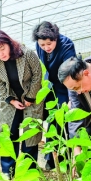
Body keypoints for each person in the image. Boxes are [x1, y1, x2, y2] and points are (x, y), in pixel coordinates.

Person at [0, 30, 44, 179]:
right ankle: (8, 170)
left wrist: (30, 97)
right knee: (8, 133)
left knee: (31, 133)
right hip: (11, 99)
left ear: (9, 43)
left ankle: (29, 169)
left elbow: (37, 75)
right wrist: (10, 100)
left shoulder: (27, 54)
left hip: (32, 96)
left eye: (2, 48)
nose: (0, 54)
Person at [32, 21, 76, 170]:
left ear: (55, 38)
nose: (46, 48)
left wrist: (71, 98)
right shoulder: (40, 45)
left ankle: (66, 158)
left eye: (49, 44)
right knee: (51, 119)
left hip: (65, 86)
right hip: (51, 86)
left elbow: (71, 73)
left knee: (63, 119)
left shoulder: (67, 45)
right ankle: (51, 157)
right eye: (42, 45)